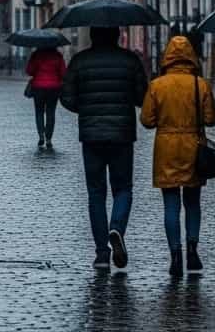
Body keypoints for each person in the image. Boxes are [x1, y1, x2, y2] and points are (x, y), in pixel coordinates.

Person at [60, 27, 148, 271]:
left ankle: (101, 253)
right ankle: (116, 228)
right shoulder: (130, 60)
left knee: (96, 193)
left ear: (92, 36)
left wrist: (86, 109)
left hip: (91, 136)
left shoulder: (80, 61)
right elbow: (143, 97)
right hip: (122, 134)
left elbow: (66, 97)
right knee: (123, 188)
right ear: (117, 35)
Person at [140, 35, 215, 277]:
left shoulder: (157, 85)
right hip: (193, 146)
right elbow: (211, 119)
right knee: (193, 202)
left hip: (166, 148)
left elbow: (146, 120)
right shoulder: (200, 84)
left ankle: (175, 254)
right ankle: (193, 250)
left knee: (171, 204)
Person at [25, 46, 66, 149]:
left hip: (38, 88)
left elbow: (29, 71)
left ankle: (41, 136)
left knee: (39, 112)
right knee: (50, 113)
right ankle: (49, 138)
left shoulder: (36, 55)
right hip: (54, 88)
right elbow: (63, 73)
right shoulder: (58, 56)